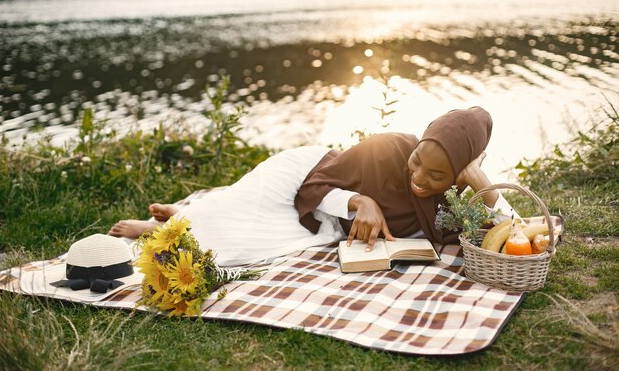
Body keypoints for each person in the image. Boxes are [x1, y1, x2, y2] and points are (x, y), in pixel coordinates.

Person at [108, 106, 515, 266]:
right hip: (306, 178)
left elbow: (513, 232)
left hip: (324, 224)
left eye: (438, 175)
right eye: (418, 162)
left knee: (241, 250)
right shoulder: (388, 149)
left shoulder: (459, 199)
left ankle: (188, 214)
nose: (419, 178)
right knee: (229, 212)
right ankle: (164, 225)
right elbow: (317, 185)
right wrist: (361, 201)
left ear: (459, 173)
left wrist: (479, 179)